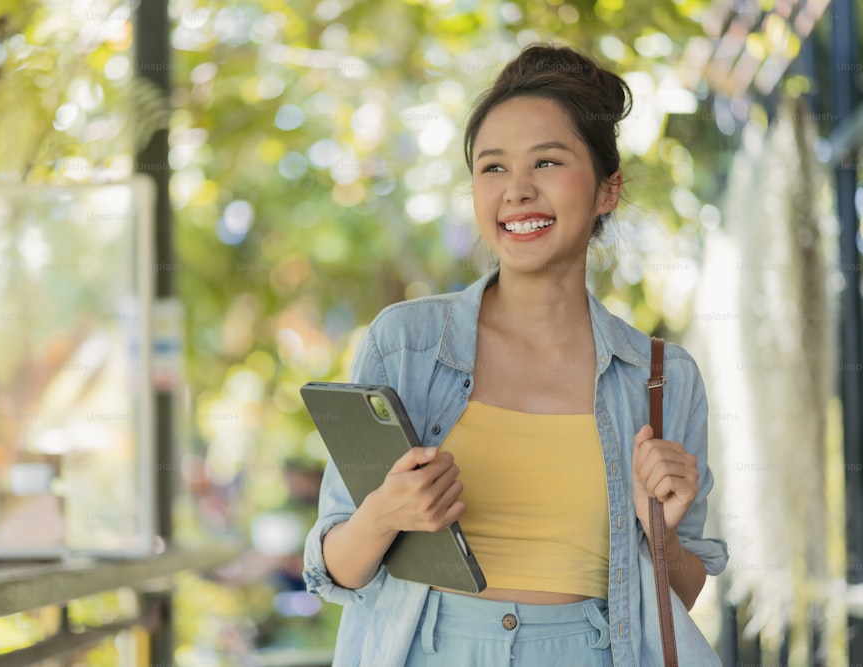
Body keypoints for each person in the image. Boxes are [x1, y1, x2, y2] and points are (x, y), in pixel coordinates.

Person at [303, 43, 729, 666]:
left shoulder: (661, 378)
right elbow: (332, 570)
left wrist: (657, 528)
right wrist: (386, 514)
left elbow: (679, 602)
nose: (517, 192)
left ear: (608, 190)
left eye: (548, 162)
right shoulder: (406, 345)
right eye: (493, 168)